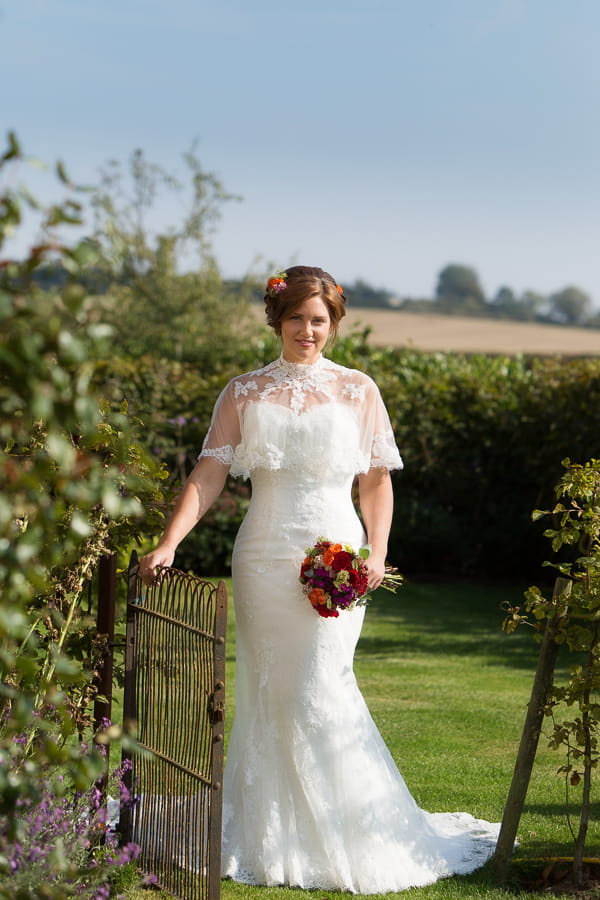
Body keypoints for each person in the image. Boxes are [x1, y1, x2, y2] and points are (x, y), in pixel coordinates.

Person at [140, 265, 499, 893]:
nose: (308, 330)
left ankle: (353, 830)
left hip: (336, 552)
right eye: (297, 317)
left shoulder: (360, 390)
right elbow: (209, 474)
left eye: (319, 319)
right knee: (268, 688)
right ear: (276, 320)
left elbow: (377, 481)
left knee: (322, 683)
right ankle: (265, 833)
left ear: (333, 324)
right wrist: (171, 541)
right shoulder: (243, 391)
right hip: (260, 555)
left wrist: (377, 554)